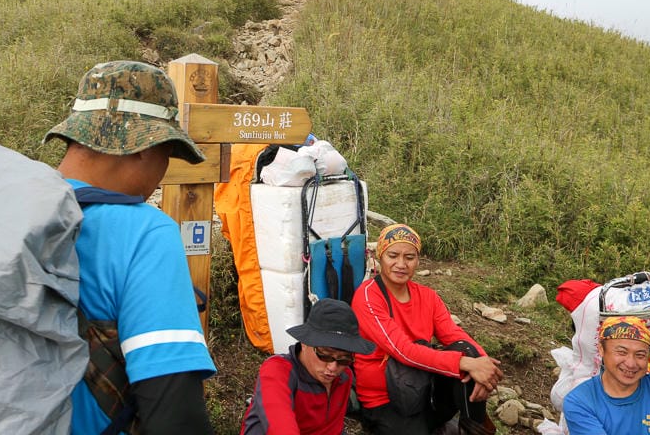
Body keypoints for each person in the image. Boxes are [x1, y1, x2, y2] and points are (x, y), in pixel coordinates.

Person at [44, 59, 217, 434]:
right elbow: (175, 414)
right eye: (167, 153)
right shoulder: (144, 232)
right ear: (142, 147)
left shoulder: (13, 208)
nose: (162, 172)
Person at [351, 223, 502, 435]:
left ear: (418, 260)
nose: (401, 264)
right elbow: (403, 350)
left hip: (423, 388)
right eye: (393, 255)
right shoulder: (368, 296)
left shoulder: (428, 296)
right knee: (465, 359)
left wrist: (483, 365)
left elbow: (454, 335)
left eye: (409, 257)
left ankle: (473, 428)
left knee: (466, 349)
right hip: (386, 400)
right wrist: (465, 363)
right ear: (379, 257)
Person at [240, 298, 377, 435]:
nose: (333, 367)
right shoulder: (277, 371)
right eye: (325, 355)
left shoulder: (344, 376)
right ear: (304, 343)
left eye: (344, 359)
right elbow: (281, 428)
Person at [562, 316, 650, 435]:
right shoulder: (580, 401)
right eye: (621, 352)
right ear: (602, 350)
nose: (631, 364)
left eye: (640, 355)